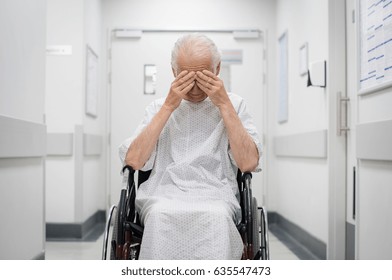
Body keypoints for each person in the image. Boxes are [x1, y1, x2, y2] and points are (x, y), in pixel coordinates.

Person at [119, 33, 262, 260]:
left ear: (217, 69)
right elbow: (134, 160)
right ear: (174, 72)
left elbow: (248, 162)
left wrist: (223, 103)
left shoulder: (234, 105)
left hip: (217, 195)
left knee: (216, 217)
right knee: (159, 216)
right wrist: (168, 107)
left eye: (203, 77)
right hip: (163, 194)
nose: (195, 88)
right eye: (186, 77)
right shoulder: (158, 107)